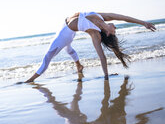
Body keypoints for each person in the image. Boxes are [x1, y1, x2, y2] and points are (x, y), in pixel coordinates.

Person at [25, 12, 156, 82]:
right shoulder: (103, 18)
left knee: (49, 55)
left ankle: (30, 79)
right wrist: (143, 22)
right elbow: (124, 17)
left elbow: (102, 58)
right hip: (64, 23)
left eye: (114, 30)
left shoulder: (95, 35)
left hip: (66, 33)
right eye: (115, 28)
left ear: (108, 33)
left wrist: (106, 76)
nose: (115, 27)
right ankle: (79, 65)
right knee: (68, 49)